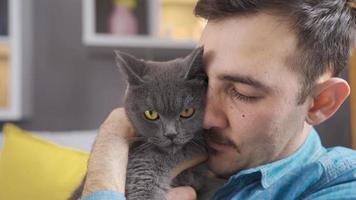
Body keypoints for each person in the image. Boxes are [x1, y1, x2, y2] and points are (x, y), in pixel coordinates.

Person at [81, 0, 356, 199]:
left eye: (242, 93)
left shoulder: (343, 185)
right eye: (204, 82)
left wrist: (109, 151)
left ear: (321, 102)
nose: (206, 117)